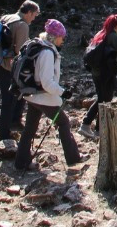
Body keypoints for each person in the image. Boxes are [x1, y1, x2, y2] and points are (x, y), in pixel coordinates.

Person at [14, 19, 83, 170]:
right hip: (43, 97)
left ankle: (21, 162)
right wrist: (63, 92)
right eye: (62, 37)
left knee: (30, 128)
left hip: (32, 96)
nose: (63, 40)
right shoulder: (47, 52)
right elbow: (46, 82)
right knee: (63, 122)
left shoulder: (39, 46)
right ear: (55, 37)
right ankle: (73, 158)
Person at [81, 13, 117, 135]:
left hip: (96, 71)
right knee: (104, 100)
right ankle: (87, 125)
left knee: (103, 98)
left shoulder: (101, 33)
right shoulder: (112, 36)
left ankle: (97, 129)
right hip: (105, 72)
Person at [0, 0, 39, 143]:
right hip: (12, 67)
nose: (34, 19)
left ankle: (14, 122)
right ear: (29, 12)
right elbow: (20, 50)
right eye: (34, 15)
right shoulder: (22, 25)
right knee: (9, 99)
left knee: (16, 95)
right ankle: (4, 133)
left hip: (1, 63)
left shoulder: (6, 18)